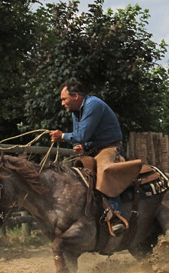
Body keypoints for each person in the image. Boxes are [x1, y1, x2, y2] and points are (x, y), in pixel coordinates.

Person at [49, 79, 141, 234]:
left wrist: (63, 136)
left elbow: (82, 134)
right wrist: (80, 146)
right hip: (94, 150)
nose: (62, 103)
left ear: (76, 96)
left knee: (104, 172)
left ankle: (116, 215)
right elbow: (81, 138)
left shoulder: (93, 105)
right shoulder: (76, 112)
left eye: (64, 99)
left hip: (110, 148)